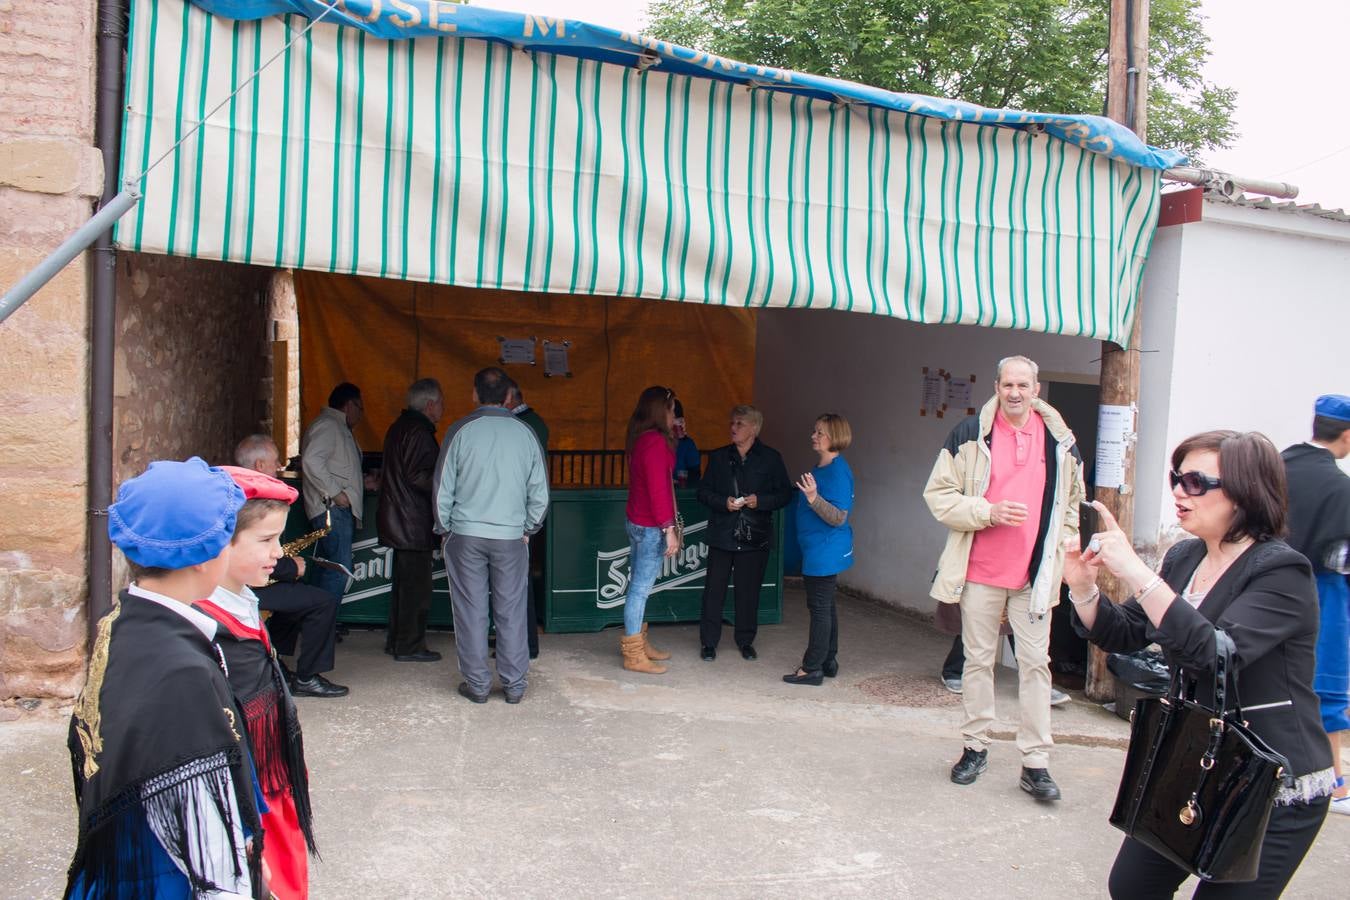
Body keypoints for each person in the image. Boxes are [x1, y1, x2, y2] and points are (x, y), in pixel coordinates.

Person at [1065, 430, 1334, 897]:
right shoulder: (1186, 554)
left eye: (1195, 481)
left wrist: (1134, 569)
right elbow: (1128, 630)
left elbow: (1215, 653)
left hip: (1269, 776)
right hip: (1197, 756)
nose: (1178, 491)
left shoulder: (1282, 571)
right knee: (1132, 886)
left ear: (1246, 492)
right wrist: (1084, 587)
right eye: (1176, 478)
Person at [66, 458, 263, 898]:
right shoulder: (181, 675)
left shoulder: (122, 621)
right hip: (162, 879)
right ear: (205, 557)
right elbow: (205, 841)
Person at [923, 355, 1083, 802]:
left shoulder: (1061, 441)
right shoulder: (970, 435)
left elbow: (1073, 501)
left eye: (1023, 385)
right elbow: (937, 496)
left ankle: (1036, 763)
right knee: (978, 663)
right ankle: (975, 747)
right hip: (981, 573)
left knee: (1036, 666)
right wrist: (986, 512)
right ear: (996, 386)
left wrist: (1067, 539)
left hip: (1035, 577)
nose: (1015, 392)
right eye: (1007, 384)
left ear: (1036, 390)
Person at [197, 467, 321, 900]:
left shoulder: (244, 601)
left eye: (279, 539)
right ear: (219, 542)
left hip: (273, 782)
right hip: (249, 795)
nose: (278, 552)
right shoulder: (208, 630)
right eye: (266, 541)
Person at [434, 367, 549, 703]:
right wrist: (528, 528)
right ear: (509, 397)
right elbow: (539, 493)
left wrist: (445, 530)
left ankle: (478, 685)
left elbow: (442, 489)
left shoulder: (460, 431)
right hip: (512, 537)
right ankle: (514, 686)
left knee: (471, 611)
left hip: (466, 535)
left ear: (474, 394)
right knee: (512, 610)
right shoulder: (525, 434)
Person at [236, 435, 348, 697]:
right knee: (322, 601)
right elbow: (244, 556)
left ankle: (276, 663)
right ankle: (307, 678)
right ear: (261, 464)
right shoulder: (245, 503)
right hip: (242, 586)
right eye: (276, 463)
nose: (279, 468)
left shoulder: (240, 494)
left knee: (297, 597)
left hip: (250, 582)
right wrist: (289, 568)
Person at [1282, 394, 1350, 817]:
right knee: (1325, 686)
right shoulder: (1342, 488)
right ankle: (1336, 782)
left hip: (1263, 587)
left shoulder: (1274, 467)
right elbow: (1340, 559)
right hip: (1322, 593)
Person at [697, 405, 792, 661]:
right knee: (714, 591)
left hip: (754, 535)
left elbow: (784, 493)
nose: (733, 428)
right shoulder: (718, 458)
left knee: (748, 592)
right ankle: (709, 642)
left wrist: (759, 501)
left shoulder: (771, 458)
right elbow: (703, 492)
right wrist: (723, 502)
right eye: (732, 423)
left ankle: (746, 640)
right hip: (722, 533)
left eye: (739, 423)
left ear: (754, 428)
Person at [377, 379, 445, 663]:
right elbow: (417, 475)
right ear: (430, 405)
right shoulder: (419, 432)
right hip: (412, 521)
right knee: (416, 591)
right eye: (441, 403)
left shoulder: (400, 427)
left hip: (400, 519)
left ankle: (397, 641)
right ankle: (410, 646)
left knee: (404, 589)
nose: (442, 408)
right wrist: (447, 483)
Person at [783, 414, 854, 685]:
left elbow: (838, 517)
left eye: (820, 433)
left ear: (833, 437)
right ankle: (828, 660)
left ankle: (812, 667)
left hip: (825, 551)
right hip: (818, 549)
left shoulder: (837, 472)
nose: (814, 436)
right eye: (815, 431)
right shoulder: (825, 467)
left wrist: (813, 498)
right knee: (826, 606)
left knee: (820, 607)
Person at [620, 386, 682, 674]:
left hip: (637, 521)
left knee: (637, 587)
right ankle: (633, 653)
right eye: (671, 410)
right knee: (640, 590)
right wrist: (668, 528)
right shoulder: (656, 443)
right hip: (650, 526)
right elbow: (659, 490)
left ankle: (639, 642)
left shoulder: (641, 439)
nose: (674, 415)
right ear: (662, 411)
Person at [300, 382, 366, 606]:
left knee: (327, 567)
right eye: (360, 407)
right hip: (331, 510)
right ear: (349, 405)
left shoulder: (336, 426)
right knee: (338, 569)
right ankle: (323, 622)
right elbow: (311, 460)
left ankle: (317, 621)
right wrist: (337, 494)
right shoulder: (329, 425)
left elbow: (339, 467)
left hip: (333, 509)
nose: (361, 414)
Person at [508, 379, 548, 660]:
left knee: (518, 582)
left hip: (519, 514)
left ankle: (526, 644)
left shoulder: (524, 424)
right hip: (523, 512)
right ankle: (522, 642)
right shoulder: (534, 422)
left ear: (509, 398)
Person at [939, 634, 1072, 706]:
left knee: (1024, 632)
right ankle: (954, 671)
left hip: (1023, 586)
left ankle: (1037, 685)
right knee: (977, 624)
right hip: (986, 583)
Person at [672, 399, 701, 486]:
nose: (681, 424)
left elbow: (695, 475)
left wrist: (678, 482)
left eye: (681, 419)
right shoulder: (655, 443)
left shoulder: (687, 444)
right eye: (674, 418)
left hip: (682, 492)